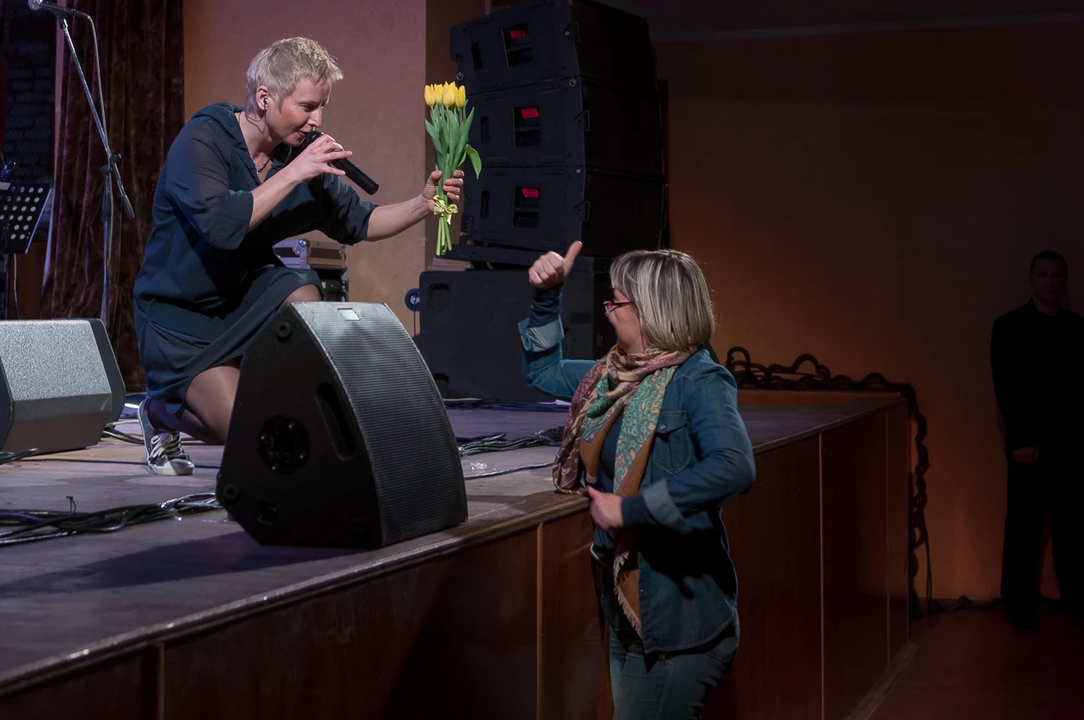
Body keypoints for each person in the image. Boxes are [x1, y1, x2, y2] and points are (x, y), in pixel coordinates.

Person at [132, 37, 463, 475]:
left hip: (242, 298)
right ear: (264, 98)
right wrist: (293, 174)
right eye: (307, 106)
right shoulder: (204, 139)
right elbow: (222, 225)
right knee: (233, 425)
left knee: (301, 287)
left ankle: (295, 410)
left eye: (322, 106)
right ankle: (157, 413)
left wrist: (423, 204)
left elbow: (362, 221)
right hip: (179, 314)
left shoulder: (296, 158)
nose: (317, 120)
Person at [519, 241, 754, 718]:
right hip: (627, 605)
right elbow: (542, 371)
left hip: (679, 618)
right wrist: (547, 296)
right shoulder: (612, 375)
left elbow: (734, 466)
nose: (608, 311)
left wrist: (631, 509)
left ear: (652, 310)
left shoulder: (698, 380)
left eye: (617, 301)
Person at [991, 249, 1084, 633]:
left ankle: (1076, 599)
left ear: (1065, 281)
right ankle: (1018, 604)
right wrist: (1019, 441)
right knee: (1024, 528)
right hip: (1032, 445)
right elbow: (1007, 388)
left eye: (1056, 275)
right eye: (1043, 274)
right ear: (1032, 279)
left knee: (1073, 528)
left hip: (1073, 443)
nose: (1049, 281)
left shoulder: (1077, 327)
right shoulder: (1009, 326)